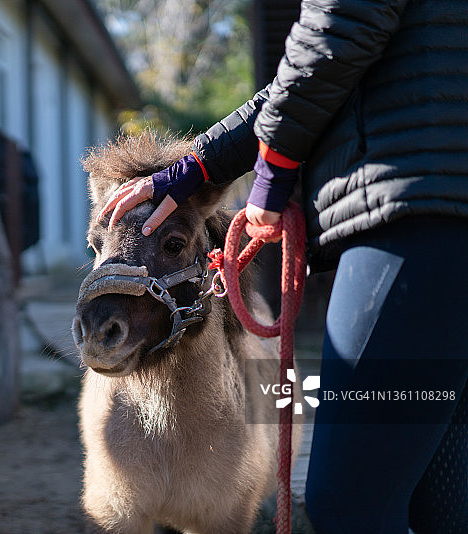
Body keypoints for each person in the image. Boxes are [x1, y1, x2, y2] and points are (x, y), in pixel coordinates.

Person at [97, 1, 468, 532]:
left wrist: (271, 178)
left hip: (417, 214)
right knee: (441, 502)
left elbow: (334, 35)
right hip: (439, 207)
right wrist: (198, 165)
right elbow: (312, 67)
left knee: (348, 503)